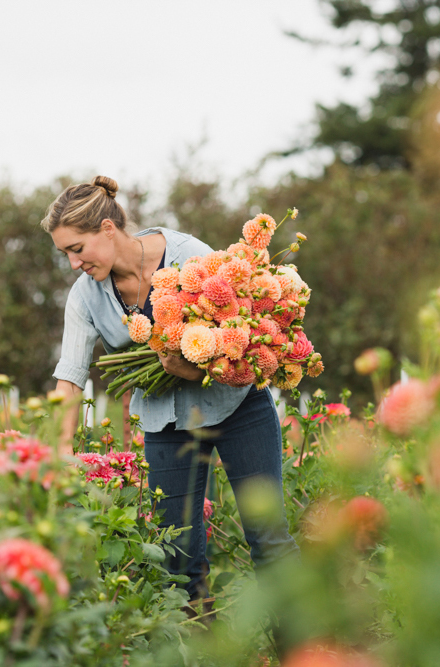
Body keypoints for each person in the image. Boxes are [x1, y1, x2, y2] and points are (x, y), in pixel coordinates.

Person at [42, 175, 299, 610]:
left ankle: (302, 649)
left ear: (107, 230)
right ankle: (203, 653)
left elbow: (239, 331)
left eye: (77, 249)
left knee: (268, 537)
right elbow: (70, 375)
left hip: (238, 408)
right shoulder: (85, 297)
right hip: (167, 423)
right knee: (178, 557)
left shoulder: (188, 257)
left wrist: (196, 368)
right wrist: (62, 446)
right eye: (65, 253)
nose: (72, 263)